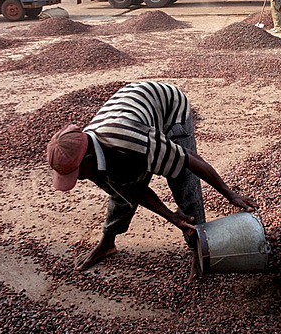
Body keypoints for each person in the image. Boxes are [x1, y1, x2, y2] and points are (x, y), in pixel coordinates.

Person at [46, 81, 258, 280]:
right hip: (135, 113)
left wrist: (229, 194)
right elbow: (131, 191)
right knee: (118, 186)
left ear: (88, 159)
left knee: (184, 183)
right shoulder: (88, 157)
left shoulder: (131, 142)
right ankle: (108, 243)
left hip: (168, 107)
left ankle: (199, 249)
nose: (80, 179)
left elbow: (189, 160)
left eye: (76, 174)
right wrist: (171, 217)